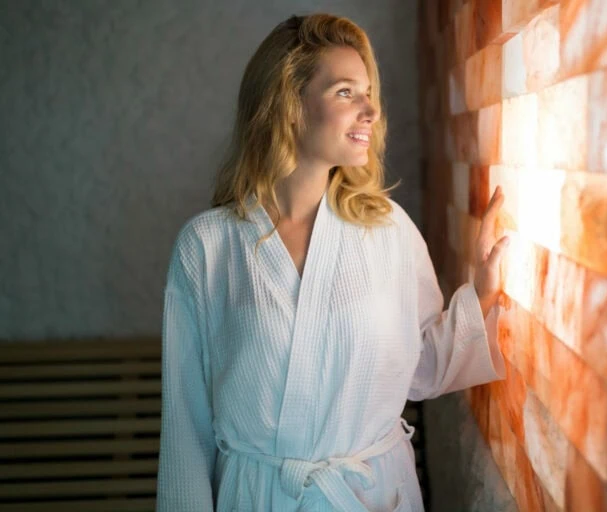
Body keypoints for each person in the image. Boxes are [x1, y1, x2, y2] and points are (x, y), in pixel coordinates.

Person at [156, 13, 510, 512]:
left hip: (372, 495)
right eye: (346, 92)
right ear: (290, 105)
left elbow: (423, 367)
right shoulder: (208, 248)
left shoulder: (387, 229)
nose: (371, 110)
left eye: (369, 93)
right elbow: (185, 430)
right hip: (259, 498)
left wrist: (482, 290)